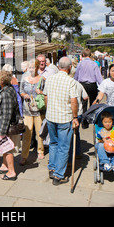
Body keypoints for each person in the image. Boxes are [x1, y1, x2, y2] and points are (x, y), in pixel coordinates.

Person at [43, 56, 79, 185]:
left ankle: (52, 168)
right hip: (64, 117)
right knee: (63, 147)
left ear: (59, 67)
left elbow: (45, 96)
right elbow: (74, 100)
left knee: (53, 143)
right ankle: (58, 175)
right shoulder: (70, 81)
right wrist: (75, 117)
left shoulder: (50, 79)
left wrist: (49, 109)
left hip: (51, 116)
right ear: (69, 67)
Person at [0, 70, 21, 181]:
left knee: (7, 149)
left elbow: (7, 114)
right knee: (4, 148)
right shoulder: (5, 89)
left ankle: (11, 172)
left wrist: (2, 132)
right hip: (3, 125)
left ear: (1, 80)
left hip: (5, 127)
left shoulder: (6, 93)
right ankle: (5, 166)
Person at [19, 59, 45, 165]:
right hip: (27, 109)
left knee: (40, 132)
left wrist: (41, 92)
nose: (31, 69)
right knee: (27, 133)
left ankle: (40, 150)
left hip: (39, 109)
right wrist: (24, 95)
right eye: (29, 67)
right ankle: (24, 155)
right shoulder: (24, 79)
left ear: (37, 67)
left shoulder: (42, 79)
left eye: (33, 67)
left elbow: (46, 93)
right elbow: (21, 91)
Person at [74, 48, 103, 113]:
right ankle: (91, 117)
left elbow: (76, 76)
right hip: (92, 85)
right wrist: (103, 87)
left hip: (82, 85)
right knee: (93, 103)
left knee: (83, 104)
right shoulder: (94, 64)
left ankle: (84, 120)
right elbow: (98, 77)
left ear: (83, 54)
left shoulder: (80, 64)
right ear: (90, 55)